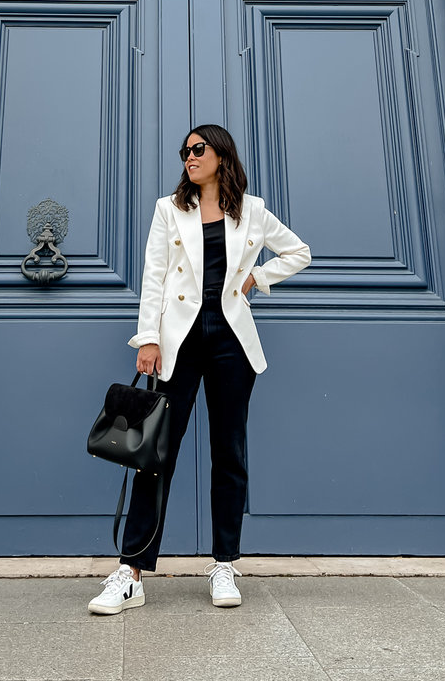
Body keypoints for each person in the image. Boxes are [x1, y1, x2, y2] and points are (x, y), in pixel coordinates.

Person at [88, 123, 311, 615]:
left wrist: (259, 276)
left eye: (198, 149)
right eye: (185, 151)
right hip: (179, 341)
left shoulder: (251, 211)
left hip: (231, 340)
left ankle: (224, 564)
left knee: (229, 452)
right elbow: (153, 275)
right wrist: (148, 337)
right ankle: (130, 572)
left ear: (220, 154)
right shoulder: (169, 209)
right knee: (154, 455)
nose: (189, 157)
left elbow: (299, 252)